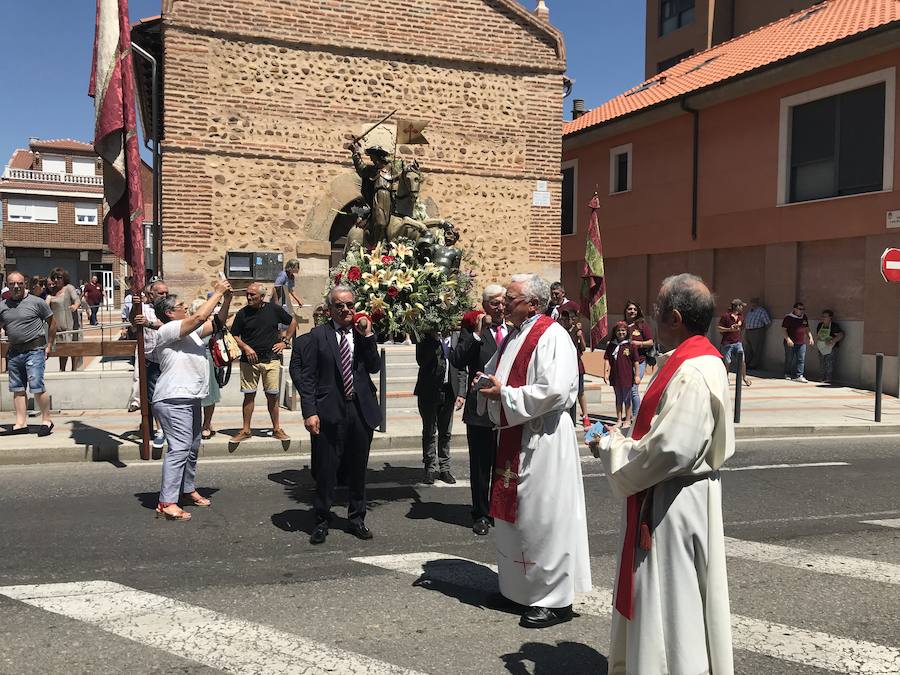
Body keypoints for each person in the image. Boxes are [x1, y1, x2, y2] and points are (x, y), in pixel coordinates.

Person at [591, 273, 735, 675]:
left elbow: (669, 450)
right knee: (671, 599)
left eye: (656, 310)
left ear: (674, 316)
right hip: (676, 497)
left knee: (671, 602)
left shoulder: (692, 370)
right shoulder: (695, 359)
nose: (651, 317)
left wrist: (610, 447)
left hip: (671, 504)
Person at [477, 273, 591, 628]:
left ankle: (555, 601)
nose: (504, 303)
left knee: (545, 517)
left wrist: (506, 396)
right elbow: (496, 372)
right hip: (517, 436)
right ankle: (520, 590)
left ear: (535, 303)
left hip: (543, 441)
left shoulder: (552, 335)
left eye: (512, 298)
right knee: (519, 516)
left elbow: (556, 391)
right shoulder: (515, 334)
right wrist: (485, 383)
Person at [297, 285, 381, 545]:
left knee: (358, 470)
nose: (346, 310)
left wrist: (367, 336)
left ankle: (357, 518)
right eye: (339, 306)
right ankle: (322, 520)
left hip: (359, 411)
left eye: (350, 305)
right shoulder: (317, 337)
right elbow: (308, 377)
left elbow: (374, 367)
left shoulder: (361, 335)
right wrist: (310, 411)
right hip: (329, 410)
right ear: (329, 310)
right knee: (326, 470)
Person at [147, 280, 233, 521]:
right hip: (173, 398)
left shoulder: (191, 334)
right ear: (169, 312)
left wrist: (225, 299)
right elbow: (197, 318)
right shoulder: (167, 330)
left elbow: (216, 323)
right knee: (179, 449)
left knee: (191, 448)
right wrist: (216, 292)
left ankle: (186, 490)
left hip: (190, 398)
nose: (185, 307)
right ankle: (167, 502)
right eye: (181, 305)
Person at [450, 284, 508, 536]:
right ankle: (481, 513)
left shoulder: (515, 330)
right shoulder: (472, 331)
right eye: (494, 303)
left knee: (505, 462)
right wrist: (476, 334)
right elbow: (458, 360)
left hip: (507, 405)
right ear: (485, 306)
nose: (500, 307)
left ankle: (501, 509)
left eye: (503, 302)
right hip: (480, 408)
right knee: (481, 464)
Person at [229, 282, 297, 442]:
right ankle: (246, 430)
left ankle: (276, 429)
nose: (248, 297)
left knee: (272, 396)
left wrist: (285, 342)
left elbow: (292, 322)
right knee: (249, 396)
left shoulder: (274, 309)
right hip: (249, 361)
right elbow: (234, 335)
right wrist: (246, 348)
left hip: (270, 359)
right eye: (247, 294)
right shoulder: (242, 313)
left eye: (252, 295)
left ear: (261, 297)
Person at [0, 272, 56, 436]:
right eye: (12, 284)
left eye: (19, 283)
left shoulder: (37, 302)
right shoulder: (3, 305)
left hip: (35, 350)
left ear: (25, 284)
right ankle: (20, 423)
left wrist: (50, 345)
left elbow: (52, 322)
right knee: (17, 388)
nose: (16, 287)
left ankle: (46, 420)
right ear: (8, 285)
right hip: (15, 351)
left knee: (37, 385)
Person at [415, 328, 466, 484]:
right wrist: (432, 339)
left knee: (446, 432)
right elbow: (421, 361)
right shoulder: (424, 337)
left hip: (448, 390)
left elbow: (461, 366)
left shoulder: (456, 337)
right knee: (429, 431)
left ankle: (445, 468)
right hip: (429, 390)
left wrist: (462, 392)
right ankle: (430, 467)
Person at [131, 280, 170, 449]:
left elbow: (171, 325)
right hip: (150, 359)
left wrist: (149, 324)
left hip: (168, 359)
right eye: (161, 293)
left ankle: (169, 428)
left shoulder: (170, 308)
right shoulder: (144, 309)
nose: (164, 296)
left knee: (168, 396)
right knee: (153, 398)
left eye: (166, 292)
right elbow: (134, 321)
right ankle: (159, 430)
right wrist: (135, 306)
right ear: (151, 294)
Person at [188, 298, 223, 439]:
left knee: (210, 396)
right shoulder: (189, 325)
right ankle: (194, 425)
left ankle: (206, 424)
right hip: (192, 362)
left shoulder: (211, 324)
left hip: (209, 360)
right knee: (193, 397)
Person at [556, 301, 590, 428]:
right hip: (564, 366)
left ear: (573, 319)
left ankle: (585, 416)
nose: (564, 320)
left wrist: (580, 336)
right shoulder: (560, 331)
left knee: (580, 392)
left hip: (576, 365)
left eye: (567, 318)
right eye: (563, 318)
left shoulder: (577, 330)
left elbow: (583, 348)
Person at [604, 321, 640, 427]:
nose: (621, 332)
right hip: (615, 376)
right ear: (615, 332)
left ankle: (627, 419)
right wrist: (606, 372)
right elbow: (607, 359)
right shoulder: (611, 345)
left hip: (627, 376)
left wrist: (637, 375)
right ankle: (619, 419)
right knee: (618, 398)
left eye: (623, 330)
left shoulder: (631, 345)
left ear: (627, 332)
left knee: (627, 398)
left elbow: (636, 362)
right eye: (618, 330)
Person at [46, 268, 82, 372]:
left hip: (70, 328)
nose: (57, 280)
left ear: (64, 278)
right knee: (61, 351)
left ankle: (74, 370)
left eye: (59, 277)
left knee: (72, 350)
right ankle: (62, 370)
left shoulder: (68, 288)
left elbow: (77, 299)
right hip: (57, 329)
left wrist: (75, 305)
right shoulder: (52, 292)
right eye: (55, 278)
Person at [624, 301, 653, 414]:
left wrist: (637, 343)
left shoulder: (642, 325)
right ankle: (628, 416)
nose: (632, 311)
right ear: (626, 311)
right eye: (630, 309)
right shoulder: (622, 325)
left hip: (639, 362)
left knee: (633, 389)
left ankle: (636, 417)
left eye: (635, 309)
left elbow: (650, 342)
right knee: (626, 390)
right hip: (625, 362)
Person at [717, 298, 751, 387]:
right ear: (737, 306)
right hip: (727, 343)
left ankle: (744, 378)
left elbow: (741, 324)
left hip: (738, 342)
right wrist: (729, 329)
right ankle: (725, 378)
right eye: (741, 306)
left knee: (742, 361)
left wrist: (739, 325)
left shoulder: (740, 316)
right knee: (727, 362)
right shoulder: (725, 316)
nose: (742, 308)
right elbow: (718, 328)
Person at [782, 301, 814, 383]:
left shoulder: (804, 317)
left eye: (803, 309)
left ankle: (799, 375)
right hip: (790, 342)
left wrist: (810, 337)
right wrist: (788, 339)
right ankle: (787, 374)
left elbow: (807, 328)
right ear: (795, 309)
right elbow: (784, 330)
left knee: (801, 359)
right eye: (800, 309)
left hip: (801, 342)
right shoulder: (788, 317)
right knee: (789, 359)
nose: (802, 310)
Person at [273, 259, 303, 333]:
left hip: (284, 299)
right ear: (291, 267)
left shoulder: (291, 277)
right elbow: (275, 288)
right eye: (297, 267)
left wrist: (298, 300)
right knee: (279, 320)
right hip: (278, 299)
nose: (298, 268)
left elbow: (291, 290)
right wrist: (276, 302)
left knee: (285, 319)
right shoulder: (283, 275)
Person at [815, 309, 844, 384]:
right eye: (823, 316)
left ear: (830, 317)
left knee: (829, 363)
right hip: (821, 347)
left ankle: (828, 378)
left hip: (831, 348)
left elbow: (841, 335)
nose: (823, 318)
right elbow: (818, 335)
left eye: (825, 316)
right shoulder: (819, 325)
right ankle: (821, 377)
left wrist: (832, 341)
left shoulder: (834, 326)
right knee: (822, 363)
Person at [742, 298, 770, 370]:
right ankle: (747, 363)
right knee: (748, 348)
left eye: (754, 303)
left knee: (756, 349)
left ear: (757, 303)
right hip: (748, 331)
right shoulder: (750, 311)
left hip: (757, 331)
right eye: (751, 302)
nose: (753, 304)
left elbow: (768, 322)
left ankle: (753, 365)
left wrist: (761, 331)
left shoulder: (761, 311)